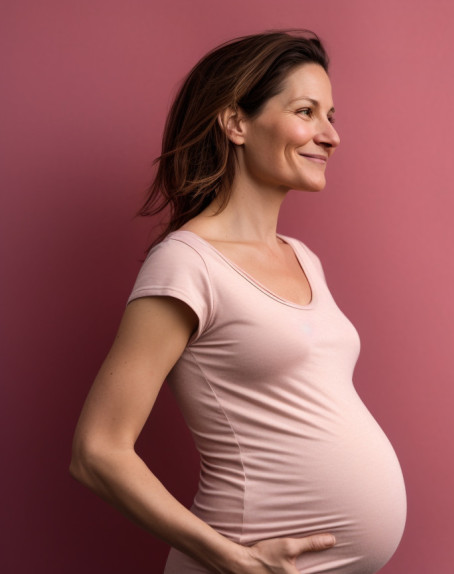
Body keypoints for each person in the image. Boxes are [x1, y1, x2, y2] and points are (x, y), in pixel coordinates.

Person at [70, 31, 406, 574]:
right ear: (236, 124)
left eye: (332, 116)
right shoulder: (187, 263)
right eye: (306, 111)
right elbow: (97, 450)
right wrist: (231, 559)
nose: (331, 136)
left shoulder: (301, 257)